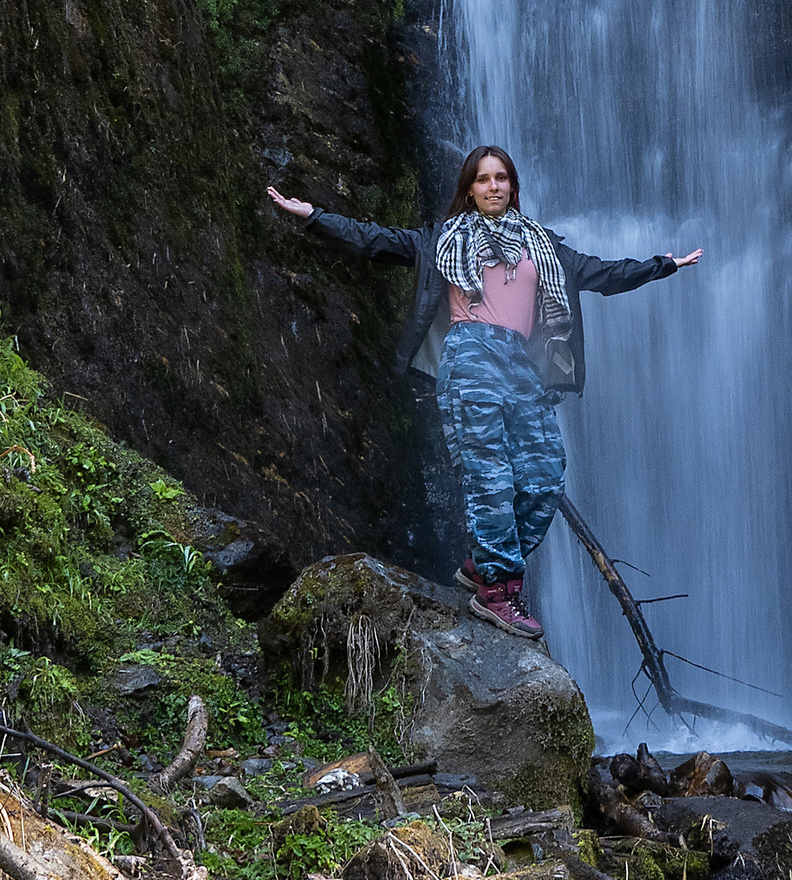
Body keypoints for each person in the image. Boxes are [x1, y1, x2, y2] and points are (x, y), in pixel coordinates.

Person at [266, 145, 699, 640]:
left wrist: (662, 264)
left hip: (520, 362)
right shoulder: (442, 239)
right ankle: (498, 591)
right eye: (483, 178)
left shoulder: (542, 246)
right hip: (470, 352)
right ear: (469, 190)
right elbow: (375, 242)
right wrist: (313, 217)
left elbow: (602, 274)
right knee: (490, 475)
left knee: (545, 477)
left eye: (501, 178)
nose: (493, 185)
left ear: (512, 186)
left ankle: (480, 566)